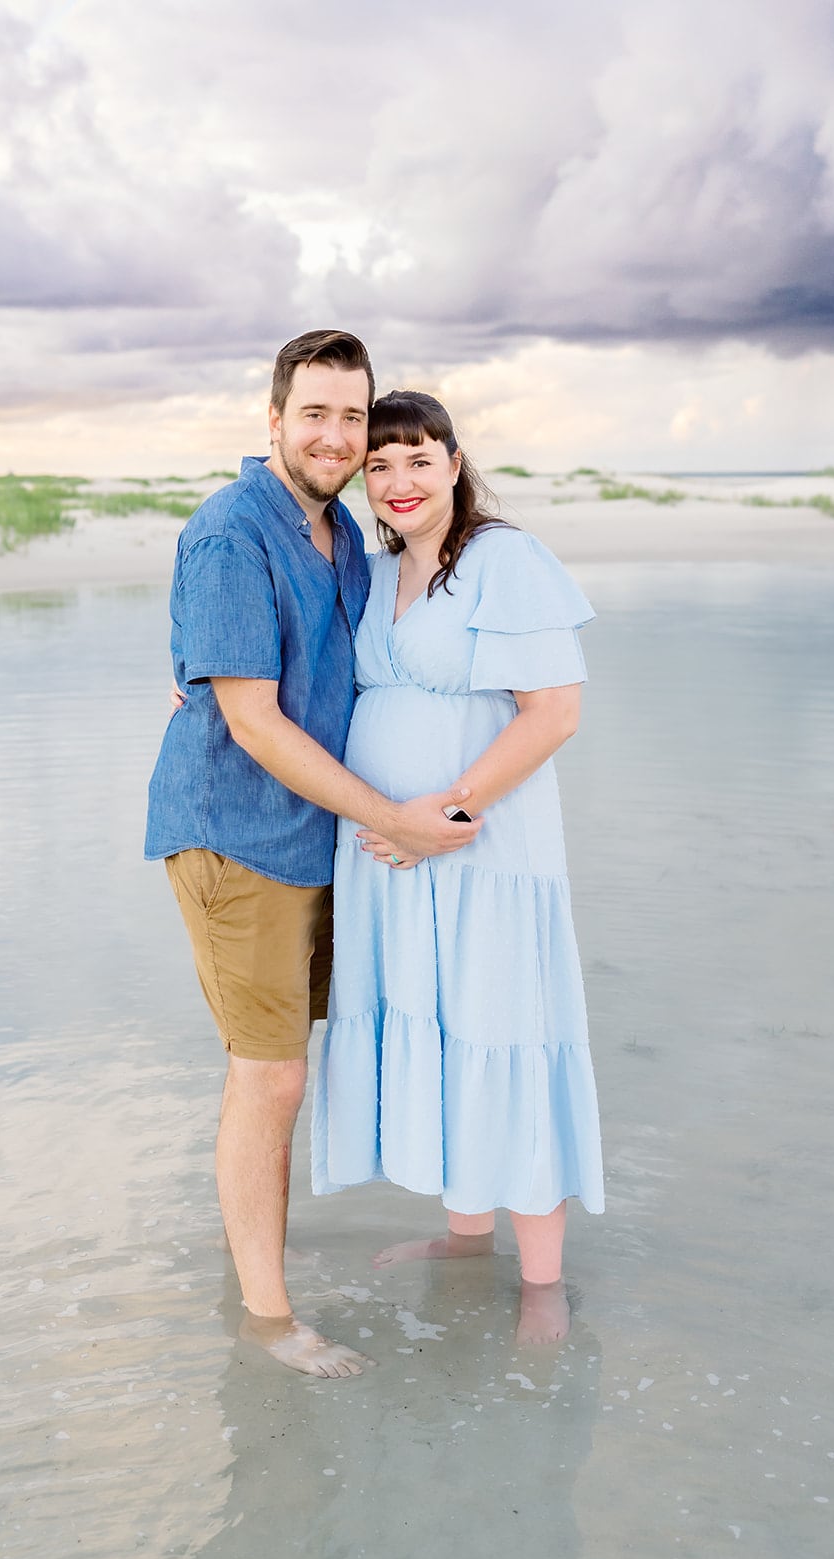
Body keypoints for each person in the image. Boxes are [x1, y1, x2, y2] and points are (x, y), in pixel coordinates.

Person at [145, 335, 481, 1379]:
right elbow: (252, 724)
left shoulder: (342, 533)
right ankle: (265, 1317)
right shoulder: (230, 532)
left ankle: (253, 1252)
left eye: (352, 417)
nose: (336, 437)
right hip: (236, 834)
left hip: (317, 836)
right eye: (315, 415)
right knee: (270, 1077)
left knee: (300, 1061)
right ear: (274, 420)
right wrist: (398, 816)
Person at [311, 390, 604, 1344]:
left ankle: (543, 1290)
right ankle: (468, 1239)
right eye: (379, 465)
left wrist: (445, 813)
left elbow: (551, 714)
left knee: (505, 1028)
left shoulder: (502, 560)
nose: (397, 482)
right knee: (444, 1026)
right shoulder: (384, 569)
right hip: (396, 858)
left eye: (416, 460)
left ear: (452, 461)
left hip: (480, 852)